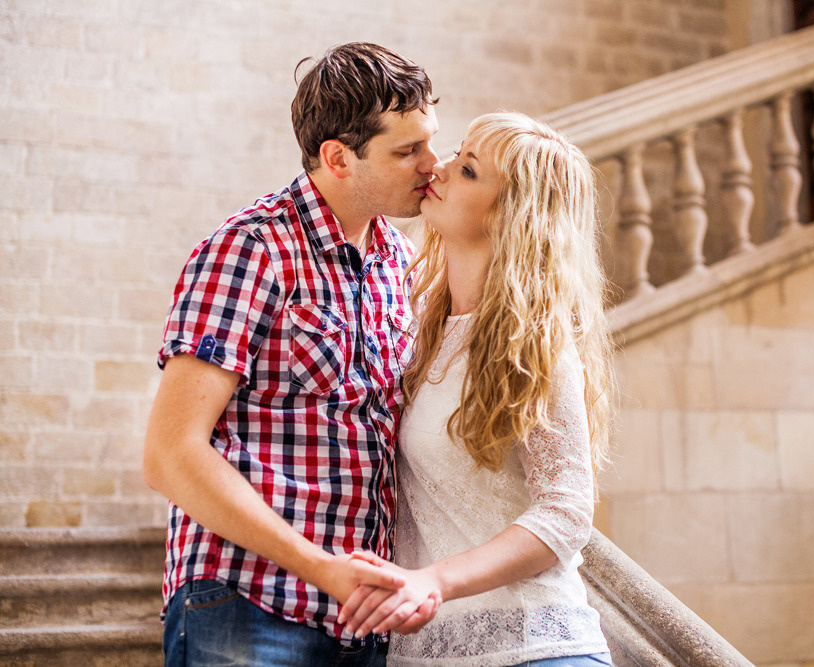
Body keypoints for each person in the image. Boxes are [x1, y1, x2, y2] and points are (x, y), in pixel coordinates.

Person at [142, 42, 443, 666]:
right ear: (338, 157)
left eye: (430, 141)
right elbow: (171, 454)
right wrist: (320, 567)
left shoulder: (398, 260)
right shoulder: (249, 249)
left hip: (362, 620)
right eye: (406, 150)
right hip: (246, 603)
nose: (431, 164)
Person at [338, 112, 615, 666]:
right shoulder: (419, 327)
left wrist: (432, 581)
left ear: (510, 213)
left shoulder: (535, 342)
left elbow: (565, 513)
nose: (437, 168)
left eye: (467, 169)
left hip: (537, 649)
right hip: (428, 652)